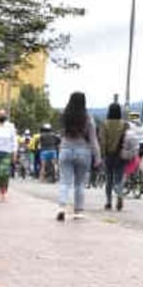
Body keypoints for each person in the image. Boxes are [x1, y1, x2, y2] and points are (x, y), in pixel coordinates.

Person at [55, 92, 100, 221]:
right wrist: (98, 157)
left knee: (65, 181)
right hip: (83, 151)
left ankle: (62, 207)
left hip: (65, 149)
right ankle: (78, 211)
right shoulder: (88, 119)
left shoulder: (64, 117)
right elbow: (93, 139)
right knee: (79, 184)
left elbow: (62, 133)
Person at [99, 102, 129, 211]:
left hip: (109, 155)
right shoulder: (125, 124)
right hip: (121, 155)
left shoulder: (105, 124)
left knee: (109, 179)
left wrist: (102, 155)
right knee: (119, 179)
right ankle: (119, 193)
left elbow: (103, 141)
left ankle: (108, 202)